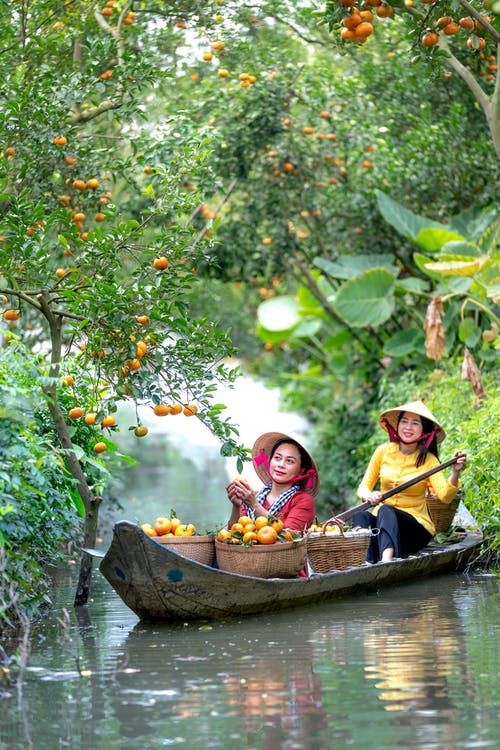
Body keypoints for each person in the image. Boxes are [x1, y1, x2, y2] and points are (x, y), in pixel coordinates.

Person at [353, 400, 467, 564]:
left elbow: (445, 496)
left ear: (423, 430)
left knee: (386, 510)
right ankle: (366, 563)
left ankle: (386, 562)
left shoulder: (429, 460)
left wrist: (455, 472)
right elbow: (363, 487)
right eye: (404, 421)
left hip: (415, 529)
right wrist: (369, 495)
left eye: (415, 423)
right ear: (397, 425)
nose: (408, 427)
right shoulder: (383, 451)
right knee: (360, 515)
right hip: (383, 522)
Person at [226, 431, 319, 532]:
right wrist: (236, 505)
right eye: (277, 458)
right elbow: (235, 534)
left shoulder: (303, 500)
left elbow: (289, 535)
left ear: (301, 471)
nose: (281, 465)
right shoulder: (253, 496)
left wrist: (254, 505)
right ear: (270, 461)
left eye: (290, 461)